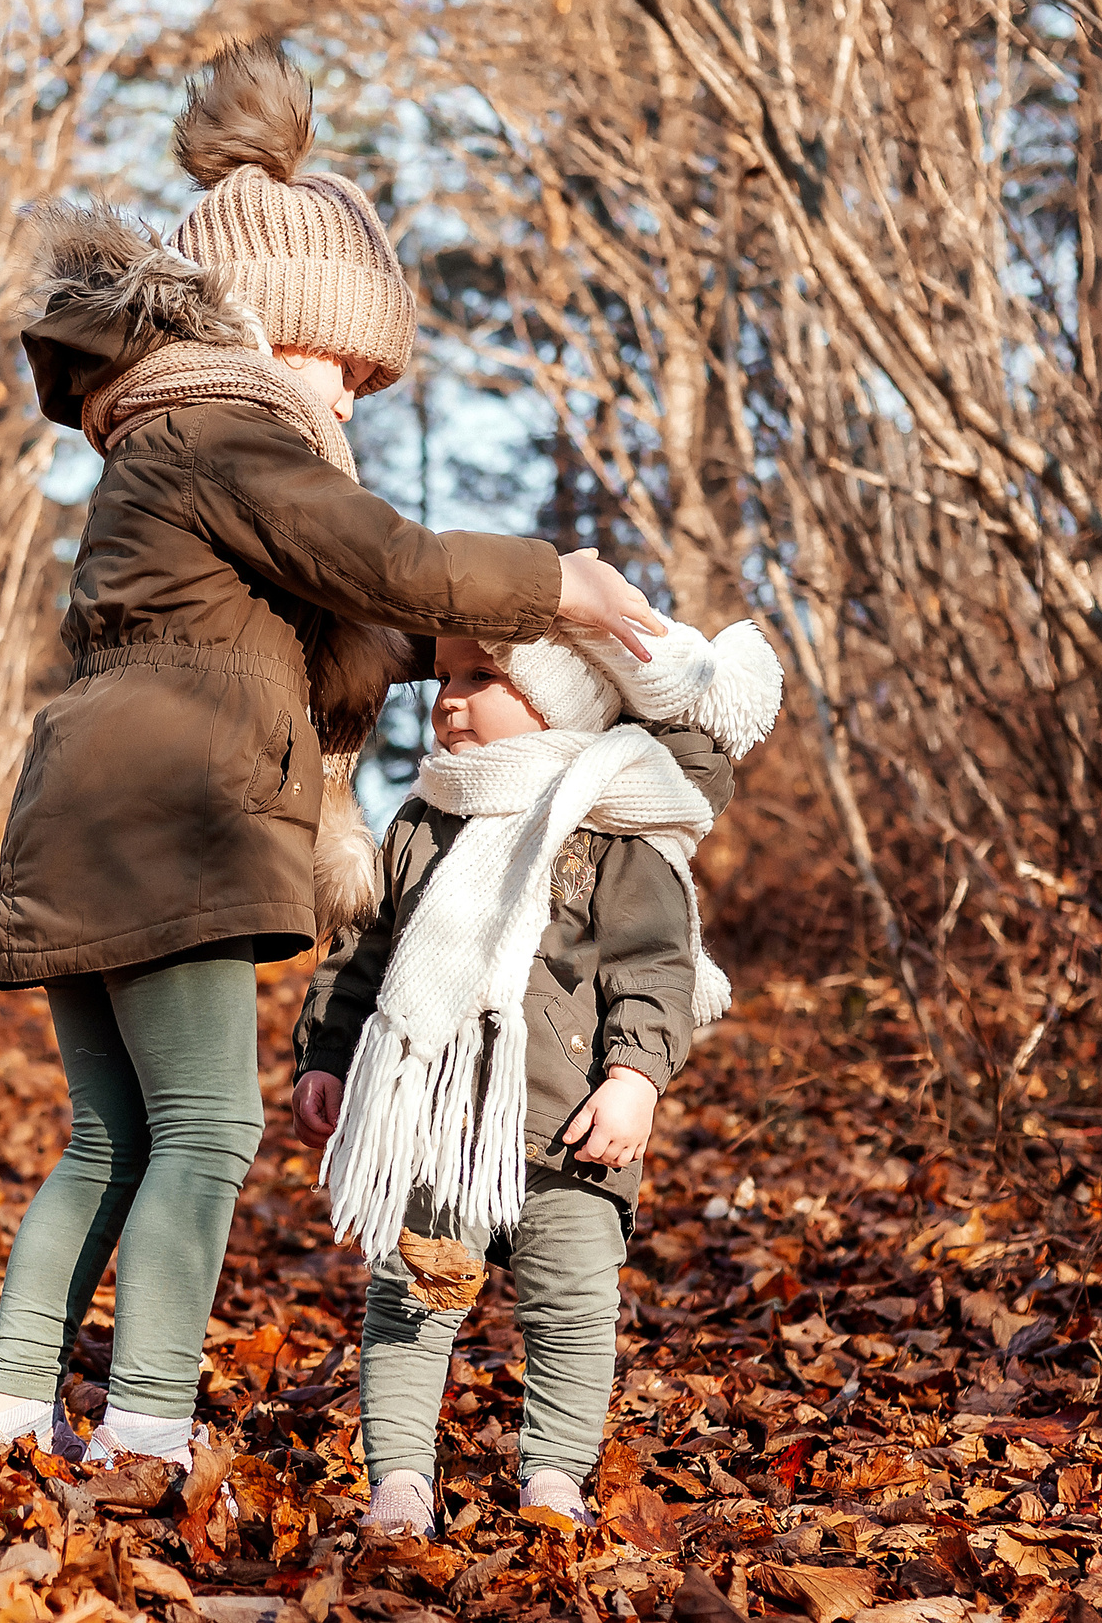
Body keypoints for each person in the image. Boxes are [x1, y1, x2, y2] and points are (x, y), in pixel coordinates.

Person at [0, 35, 671, 1470]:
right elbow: (391, 562)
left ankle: (13, 1400)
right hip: (167, 818)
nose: (349, 399)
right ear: (270, 322)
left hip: (85, 812)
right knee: (206, 1129)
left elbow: (342, 626)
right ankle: (146, 1425)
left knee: (112, 1136)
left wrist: (496, 654)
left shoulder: (166, 444)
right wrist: (562, 585)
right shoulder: (228, 429)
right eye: (343, 364)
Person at [291, 620, 782, 1534]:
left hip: (571, 1122)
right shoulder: (424, 818)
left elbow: (654, 966)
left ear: (558, 698)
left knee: (572, 1309)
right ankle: (400, 1478)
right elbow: (361, 953)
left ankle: (553, 1471)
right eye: (444, 678)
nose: (449, 700)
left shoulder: (613, 823)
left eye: (481, 677)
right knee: (413, 1295)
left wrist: (635, 1076)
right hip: (438, 1116)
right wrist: (326, 1054)